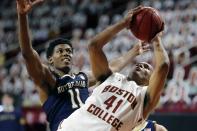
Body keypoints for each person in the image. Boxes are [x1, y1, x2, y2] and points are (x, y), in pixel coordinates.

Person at [16, 1, 148, 130]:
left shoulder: (82, 78)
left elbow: (111, 68)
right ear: (50, 59)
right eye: (60, 51)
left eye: (68, 51)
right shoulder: (47, 79)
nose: (66, 54)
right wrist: (22, 16)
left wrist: (133, 52)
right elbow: (28, 53)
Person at [57, 6, 169, 131]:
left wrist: (156, 40)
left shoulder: (145, 98)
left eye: (147, 68)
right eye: (140, 64)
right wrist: (123, 24)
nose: (141, 65)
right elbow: (94, 46)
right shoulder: (112, 77)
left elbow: (163, 66)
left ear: (151, 81)